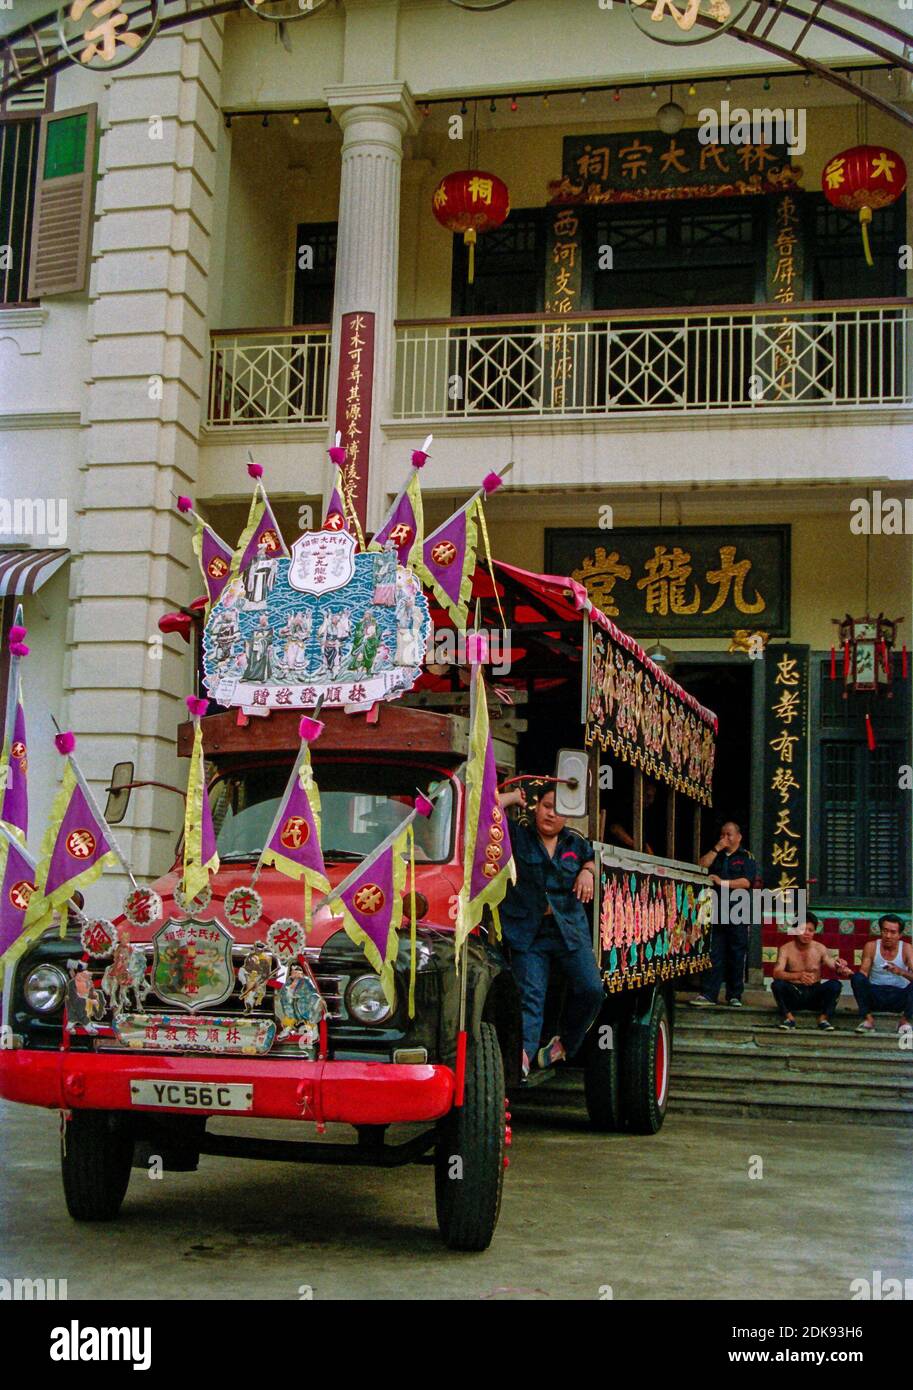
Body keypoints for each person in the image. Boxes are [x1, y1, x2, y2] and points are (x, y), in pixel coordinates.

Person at [498, 782, 604, 1076]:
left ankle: (564, 1044)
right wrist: (510, 797)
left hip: (568, 930)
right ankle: (523, 1056)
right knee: (530, 996)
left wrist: (587, 872)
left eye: (559, 810)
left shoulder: (575, 842)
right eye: (546, 806)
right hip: (528, 931)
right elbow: (485, 811)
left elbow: (592, 858)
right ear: (535, 807)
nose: (551, 814)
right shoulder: (518, 836)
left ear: (567, 816)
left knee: (591, 989)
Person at [689, 820, 758, 1008]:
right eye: (722, 834)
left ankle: (734, 995)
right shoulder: (717, 856)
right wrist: (716, 848)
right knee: (714, 952)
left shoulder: (746, 857)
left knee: (736, 953)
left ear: (739, 837)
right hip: (715, 910)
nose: (725, 838)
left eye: (729, 834)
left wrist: (721, 882)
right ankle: (709, 994)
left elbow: (746, 882)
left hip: (738, 910)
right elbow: (702, 866)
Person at [770, 912, 852, 1031]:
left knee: (835, 985)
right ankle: (789, 1018)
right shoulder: (786, 949)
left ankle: (823, 1019)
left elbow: (832, 964)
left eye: (811, 930)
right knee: (777, 985)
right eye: (803, 929)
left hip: (815, 994)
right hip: (795, 993)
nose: (807, 933)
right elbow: (776, 973)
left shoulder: (819, 948)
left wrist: (841, 967)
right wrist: (798, 975)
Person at [850, 914, 913, 1035]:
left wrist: (900, 971)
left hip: (899, 996)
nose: (888, 936)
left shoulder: (906, 948)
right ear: (881, 931)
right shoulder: (871, 946)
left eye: (893, 932)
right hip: (876, 995)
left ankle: (904, 1021)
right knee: (857, 978)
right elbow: (863, 973)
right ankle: (868, 1020)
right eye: (885, 931)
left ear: (900, 935)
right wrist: (852, 976)